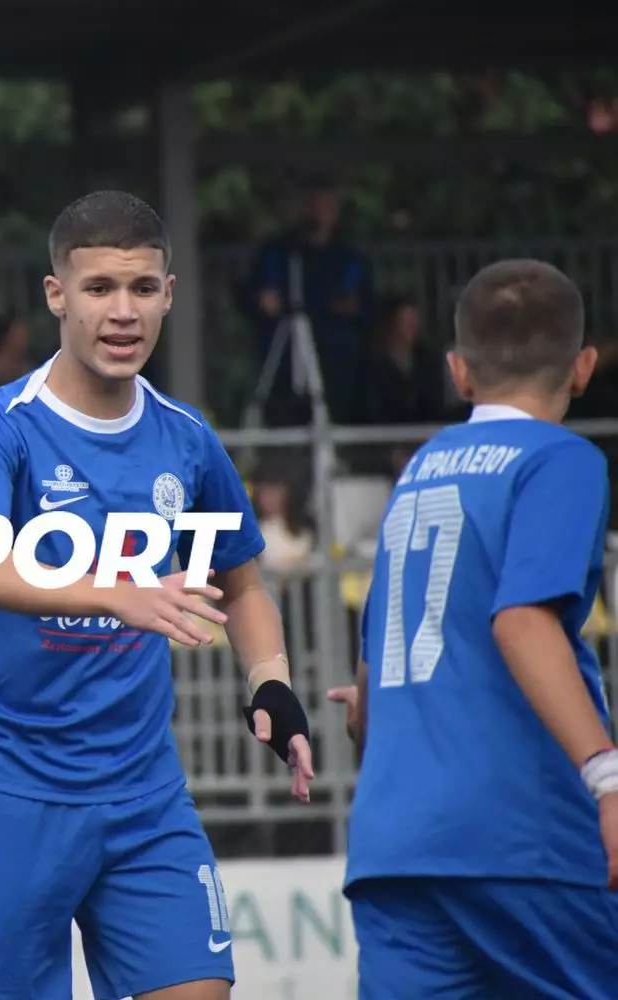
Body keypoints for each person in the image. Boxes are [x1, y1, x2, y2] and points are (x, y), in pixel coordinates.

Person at [0, 190, 316, 1000]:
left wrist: (270, 682)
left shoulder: (187, 437)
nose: (122, 311)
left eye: (140, 288)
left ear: (169, 294)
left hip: (144, 793)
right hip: (9, 789)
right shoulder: (0, 424)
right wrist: (116, 593)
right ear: (57, 295)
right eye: (99, 287)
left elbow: (242, 584)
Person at [326, 259, 618, 1000]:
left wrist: (380, 709)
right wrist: (608, 779)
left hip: (396, 845)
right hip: (525, 838)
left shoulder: (421, 470)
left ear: (458, 371)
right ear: (583, 366)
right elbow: (522, 620)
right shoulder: (561, 460)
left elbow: (371, 678)